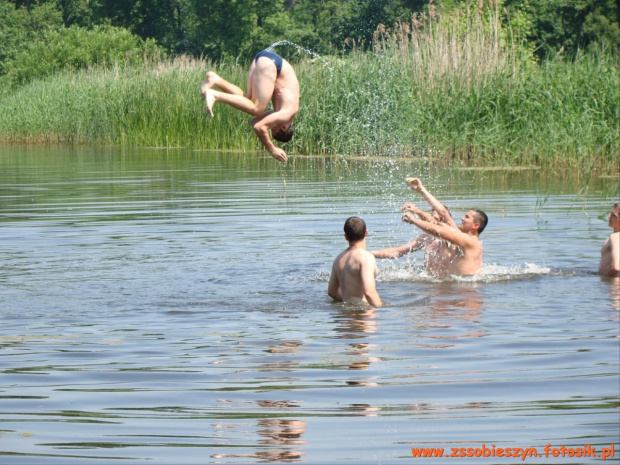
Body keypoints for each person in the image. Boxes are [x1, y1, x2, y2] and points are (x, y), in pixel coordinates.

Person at [200, 49, 300, 164]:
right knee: (257, 109)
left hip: (263, 59)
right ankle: (216, 95)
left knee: (248, 101)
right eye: (272, 127)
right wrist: (272, 149)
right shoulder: (287, 113)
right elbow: (259, 127)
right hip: (272, 65)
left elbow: (254, 122)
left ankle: (215, 80)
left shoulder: (281, 113)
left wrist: (270, 141)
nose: (270, 125)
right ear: (283, 127)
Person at [371, 178, 456, 277]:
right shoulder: (425, 238)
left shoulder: (452, 238)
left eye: (438, 217)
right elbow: (398, 252)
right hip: (430, 284)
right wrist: (371, 253)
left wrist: (416, 211)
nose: (434, 219)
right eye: (432, 215)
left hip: (447, 286)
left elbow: (437, 222)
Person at [402, 206, 488, 276]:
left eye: (466, 217)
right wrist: (417, 211)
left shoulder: (461, 238)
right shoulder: (459, 235)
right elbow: (435, 223)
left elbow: (437, 228)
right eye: (432, 215)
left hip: (464, 287)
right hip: (454, 283)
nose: (462, 218)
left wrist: (414, 220)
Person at [328, 217, 382, 307]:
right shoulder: (366, 257)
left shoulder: (339, 258)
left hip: (345, 318)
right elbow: (369, 292)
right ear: (366, 233)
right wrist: (381, 309)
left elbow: (332, 292)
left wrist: (348, 302)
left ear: (346, 237)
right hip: (364, 316)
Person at [599, 202, 620, 277]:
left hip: (613, 284)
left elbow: (617, 267)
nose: (609, 216)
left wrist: (614, 287)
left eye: (614, 215)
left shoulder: (616, 237)